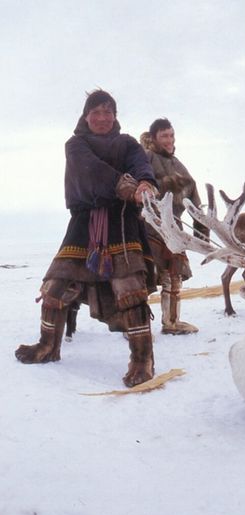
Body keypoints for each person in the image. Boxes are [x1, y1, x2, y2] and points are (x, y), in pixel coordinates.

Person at [15, 90, 159, 387]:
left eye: (109, 112)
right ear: (86, 116)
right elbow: (91, 171)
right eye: (96, 112)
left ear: (115, 117)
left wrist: (145, 183)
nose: (103, 118)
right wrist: (125, 186)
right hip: (83, 225)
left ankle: (142, 359)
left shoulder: (128, 143)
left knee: (131, 292)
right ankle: (48, 345)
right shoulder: (75, 144)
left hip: (122, 224)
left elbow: (142, 164)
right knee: (55, 286)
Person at [141, 118, 207, 335]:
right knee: (142, 277)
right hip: (148, 225)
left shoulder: (178, 164)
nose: (169, 140)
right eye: (164, 136)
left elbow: (193, 197)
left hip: (175, 228)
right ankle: (134, 323)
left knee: (173, 277)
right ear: (153, 138)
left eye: (171, 135)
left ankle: (171, 322)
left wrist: (201, 231)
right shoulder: (145, 158)